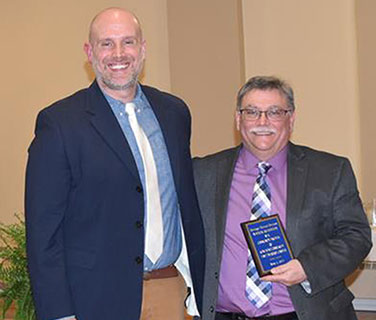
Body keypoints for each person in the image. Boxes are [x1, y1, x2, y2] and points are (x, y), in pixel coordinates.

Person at [25, 7, 204, 320]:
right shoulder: (60, 123)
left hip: (167, 291)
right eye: (106, 43)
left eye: (128, 42)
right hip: (94, 298)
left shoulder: (174, 113)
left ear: (143, 49)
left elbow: (183, 202)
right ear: (89, 52)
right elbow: (44, 232)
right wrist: (58, 313)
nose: (118, 53)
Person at [193, 76, 372, 320]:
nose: (262, 121)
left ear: (291, 118)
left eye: (275, 112)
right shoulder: (203, 173)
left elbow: (357, 236)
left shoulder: (329, 171)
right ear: (238, 119)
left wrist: (307, 268)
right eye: (252, 112)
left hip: (303, 314)